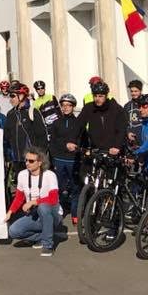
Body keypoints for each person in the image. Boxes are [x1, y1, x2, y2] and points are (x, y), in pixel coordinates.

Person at [3, 146, 61, 257]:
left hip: (52, 213)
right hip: (33, 213)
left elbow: (53, 199)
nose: (27, 163)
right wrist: (10, 212)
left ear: (40, 162)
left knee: (43, 207)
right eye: (26, 160)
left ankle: (48, 245)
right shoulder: (22, 175)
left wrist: (33, 202)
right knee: (13, 231)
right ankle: (41, 236)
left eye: (31, 161)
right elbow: (19, 197)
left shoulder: (50, 175)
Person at [68, 81, 127, 156]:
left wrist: (117, 146)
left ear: (106, 96)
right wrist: (72, 140)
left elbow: (121, 129)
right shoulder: (88, 108)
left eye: (100, 96)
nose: (97, 99)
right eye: (95, 96)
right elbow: (78, 125)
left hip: (113, 150)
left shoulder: (116, 108)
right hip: (95, 150)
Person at [49, 93, 82, 223]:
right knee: (59, 187)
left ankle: (75, 213)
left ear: (73, 107)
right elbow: (53, 141)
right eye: (63, 105)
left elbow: (82, 140)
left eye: (69, 105)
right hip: (59, 159)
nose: (66, 108)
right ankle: (60, 210)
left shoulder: (79, 123)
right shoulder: (56, 123)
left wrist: (78, 148)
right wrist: (61, 148)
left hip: (73, 160)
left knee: (75, 187)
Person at [4, 83, 49, 167]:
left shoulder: (32, 112)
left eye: (13, 96)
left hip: (31, 160)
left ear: (21, 96)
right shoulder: (10, 114)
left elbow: (42, 138)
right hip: (16, 160)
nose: (10, 99)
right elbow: (7, 137)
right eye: (10, 96)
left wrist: (38, 157)